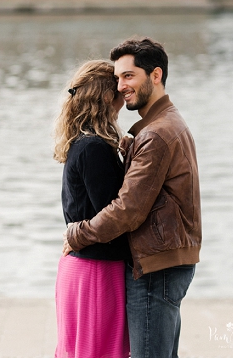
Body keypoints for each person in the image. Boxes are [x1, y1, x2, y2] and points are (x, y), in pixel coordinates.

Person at [65, 37, 201, 358]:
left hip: (154, 267)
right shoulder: (159, 125)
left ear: (155, 76)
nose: (121, 86)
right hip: (166, 260)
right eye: (117, 78)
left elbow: (127, 210)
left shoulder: (155, 133)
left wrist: (77, 233)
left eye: (129, 76)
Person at [53, 60, 130, 358]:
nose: (125, 90)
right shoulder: (94, 148)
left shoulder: (82, 143)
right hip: (96, 271)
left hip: (82, 266)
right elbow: (112, 216)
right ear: (109, 96)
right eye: (120, 84)